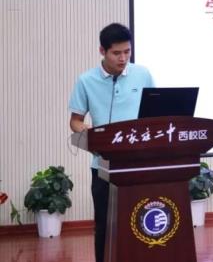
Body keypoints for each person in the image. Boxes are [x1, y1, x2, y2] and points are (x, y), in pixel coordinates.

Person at [68, 23, 154, 262]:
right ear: (102, 51)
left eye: (127, 52)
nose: (123, 58)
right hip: (103, 167)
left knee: (141, 223)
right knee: (104, 227)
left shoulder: (143, 74)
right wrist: (86, 131)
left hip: (139, 164)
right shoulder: (86, 80)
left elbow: (155, 113)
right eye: (117, 53)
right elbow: (75, 121)